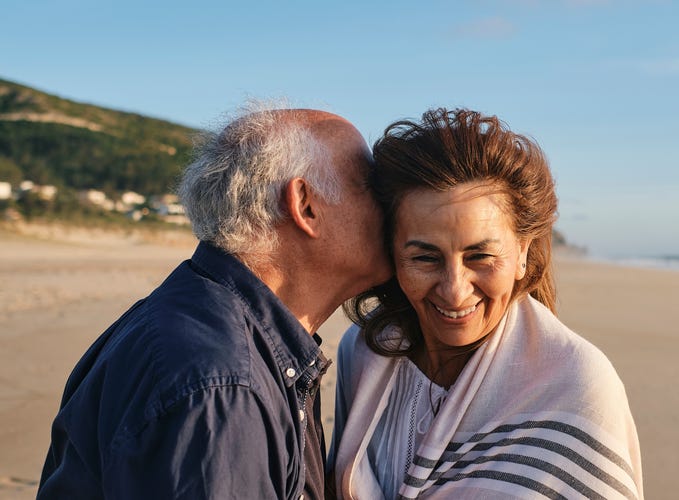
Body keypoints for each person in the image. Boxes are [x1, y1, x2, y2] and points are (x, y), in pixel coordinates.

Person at [38, 106, 391, 499]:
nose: (394, 207)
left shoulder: (198, 322)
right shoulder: (223, 386)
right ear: (305, 204)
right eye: (372, 186)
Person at [327, 108, 643, 500]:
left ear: (522, 253)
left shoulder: (577, 388)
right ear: (392, 254)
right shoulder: (364, 351)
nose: (455, 290)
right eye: (425, 258)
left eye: (480, 257)